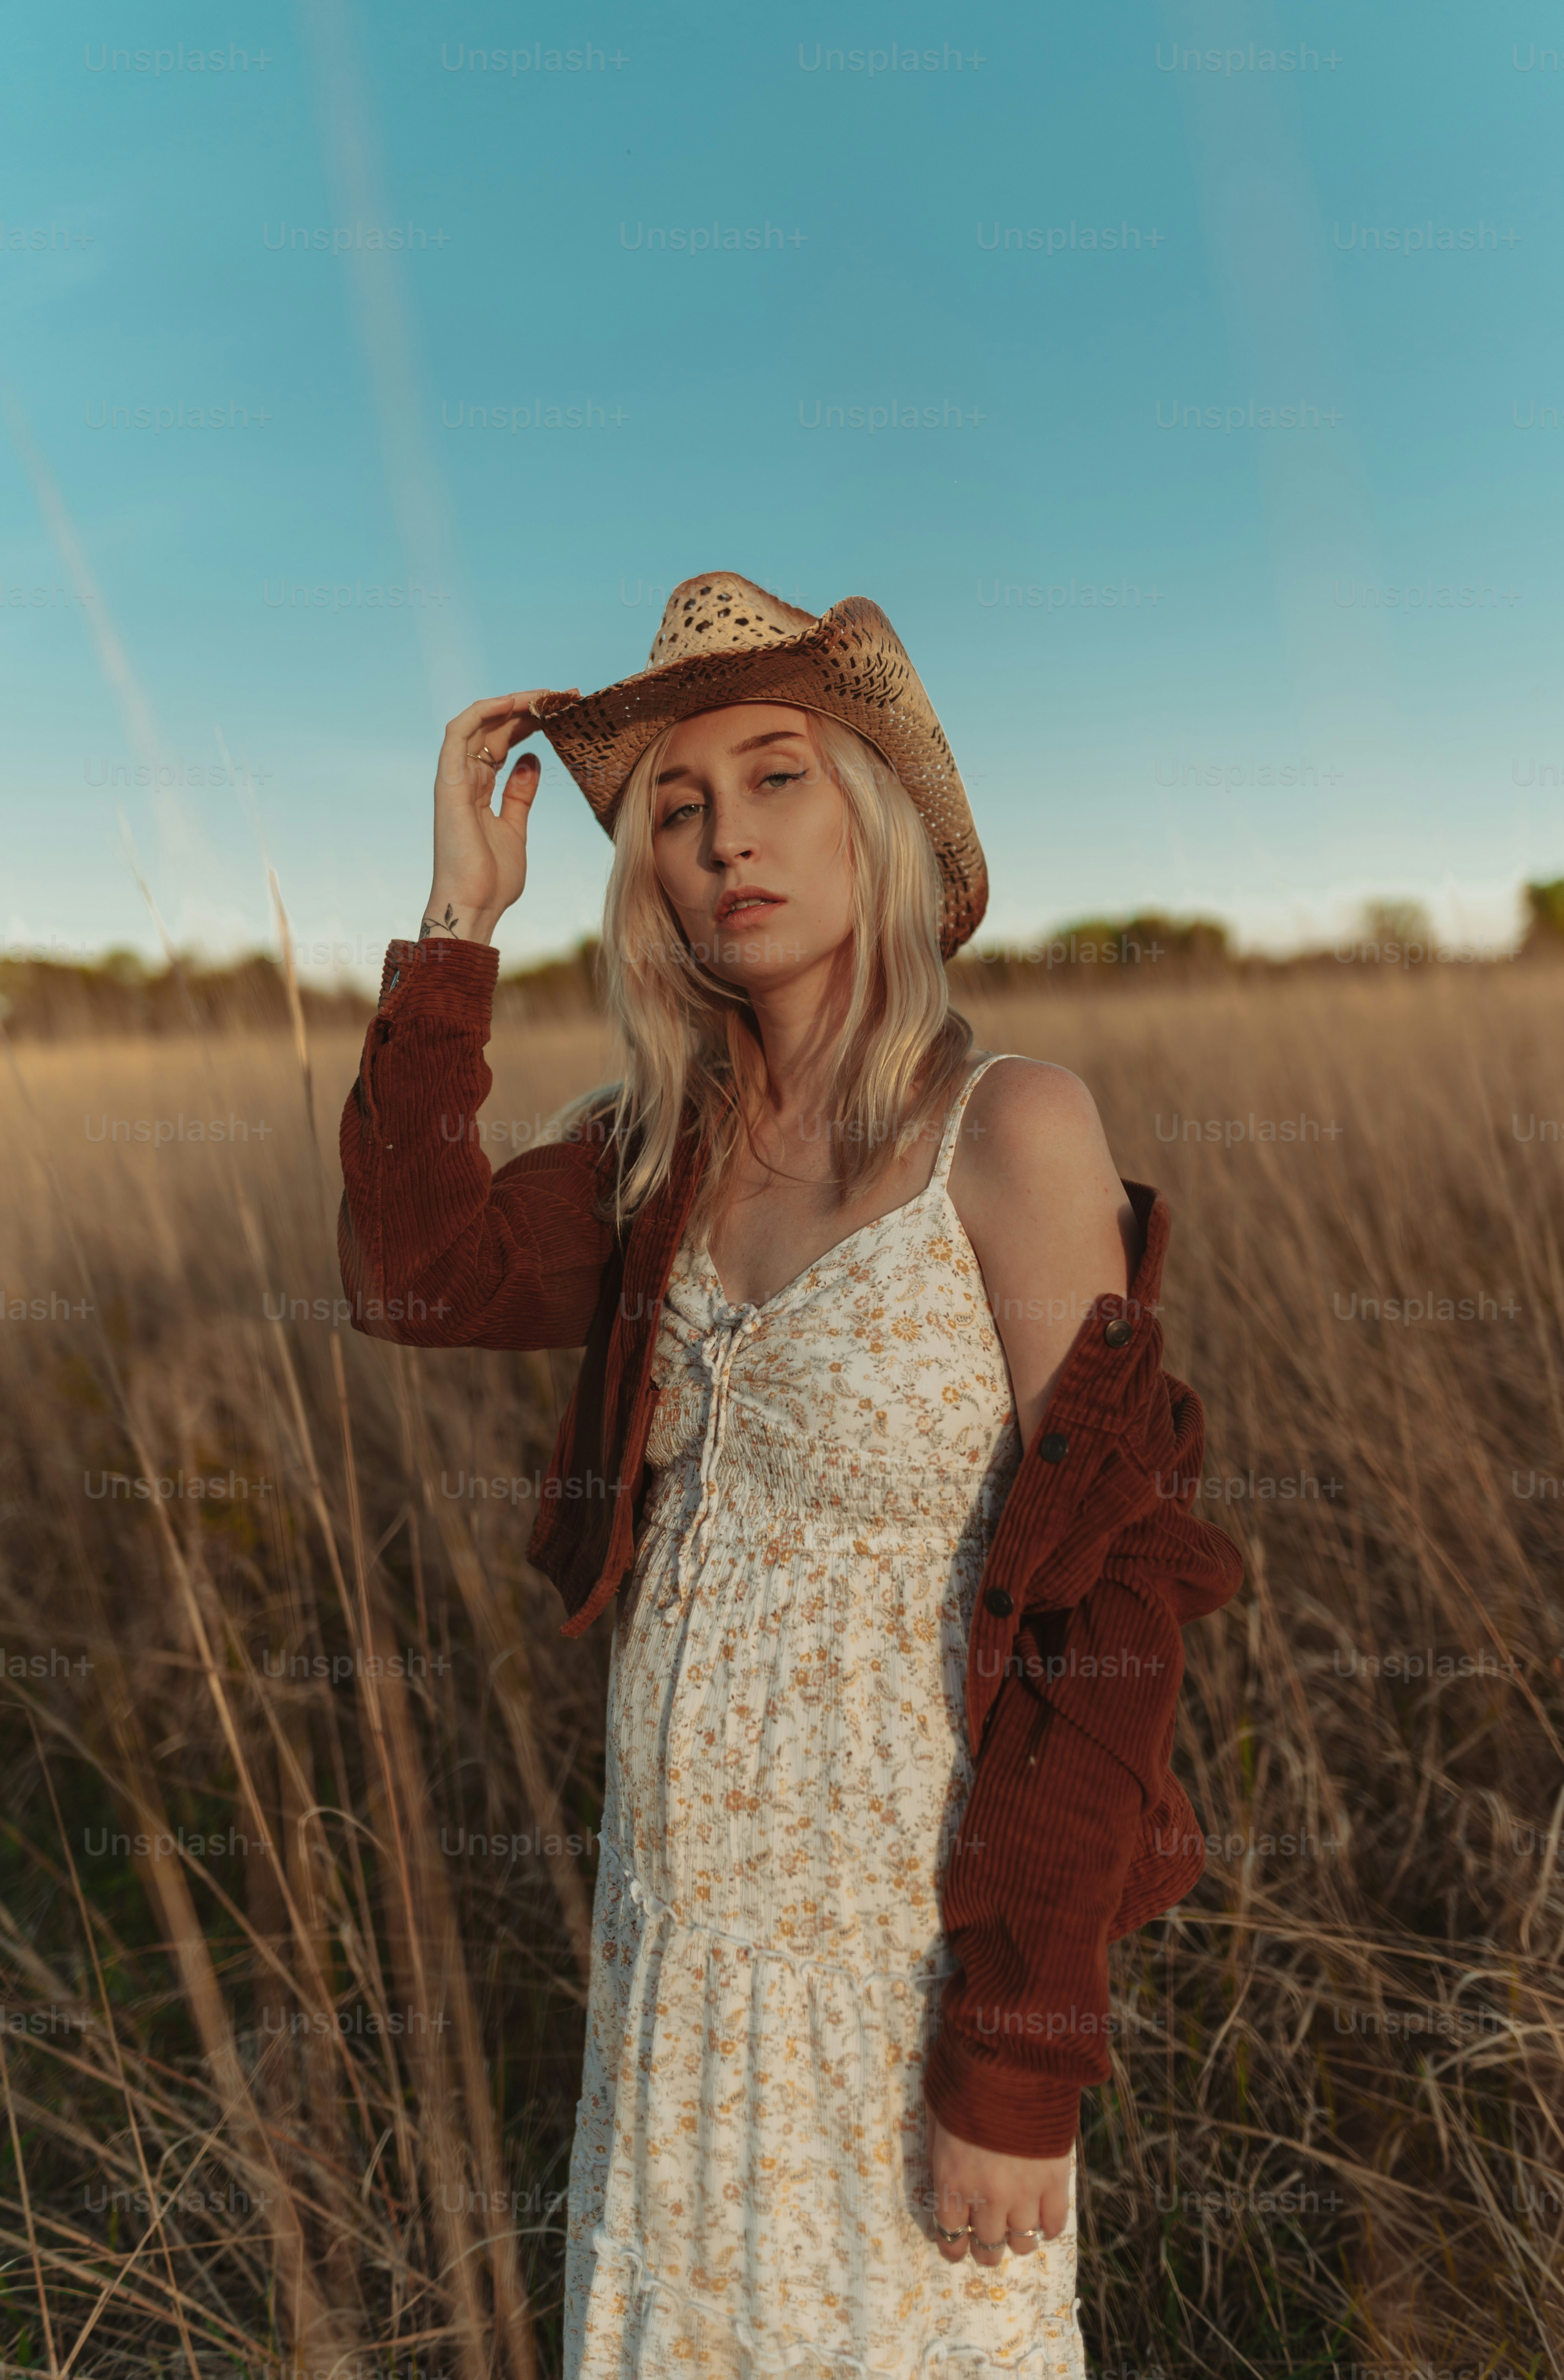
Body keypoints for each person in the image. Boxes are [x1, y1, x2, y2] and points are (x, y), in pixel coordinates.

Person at [338, 573, 1242, 2378]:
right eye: (677, 810)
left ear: (874, 821)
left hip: (900, 1959)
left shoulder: (1016, 1129)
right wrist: (457, 921)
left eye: (775, 780)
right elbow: (409, 1272)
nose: (724, 841)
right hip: (677, 1955)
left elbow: (1115, 1597)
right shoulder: (653, 1151)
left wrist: (1021, 2047)